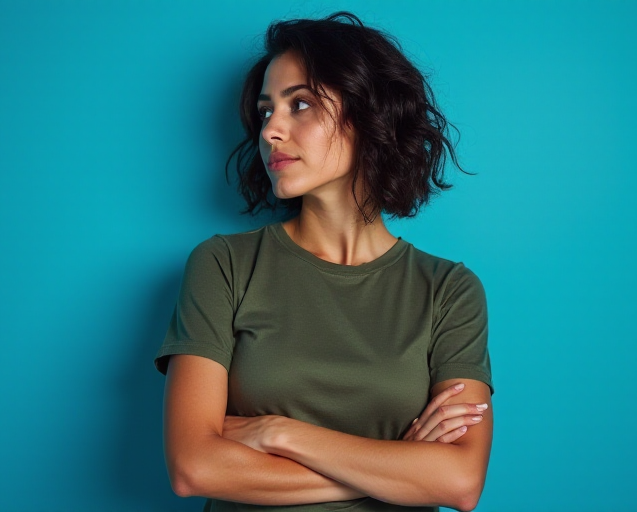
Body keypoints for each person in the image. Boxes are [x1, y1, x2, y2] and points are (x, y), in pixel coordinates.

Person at [154, 11, 493, 512]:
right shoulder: (224, 265)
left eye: (301, 104)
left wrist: (279, 433)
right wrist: (401, 466)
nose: (271, 130)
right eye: (267, 110)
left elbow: (460, 482)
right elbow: (194, 467)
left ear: (369, 114)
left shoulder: (448, 290)